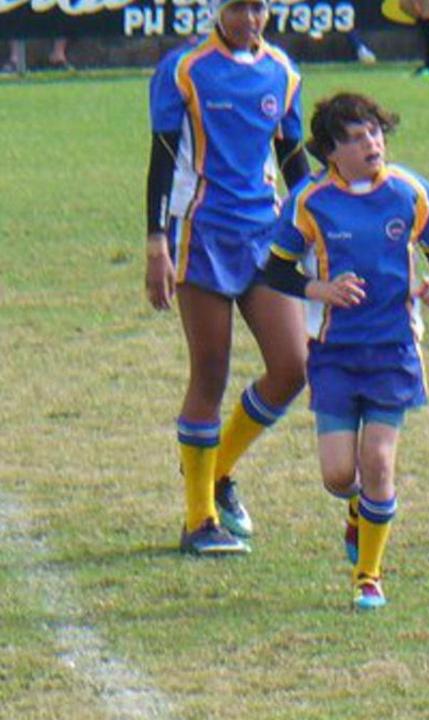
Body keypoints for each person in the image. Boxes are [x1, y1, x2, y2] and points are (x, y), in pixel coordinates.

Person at [264, 92, 429, 609]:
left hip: (394, 350)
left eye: (374, 131)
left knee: (377, 461)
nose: (371, 143)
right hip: (333, 354)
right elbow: (276, 267)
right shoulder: (309, 201)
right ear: (331, 151)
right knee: (337, 475)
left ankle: (368, 577)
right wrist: (319, 290)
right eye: (355, 137)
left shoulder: (410, 193)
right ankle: (357, 512)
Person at [145, 0, 311, 555]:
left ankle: (216, 471)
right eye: (239, 6)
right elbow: (163, 159)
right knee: (210, 371)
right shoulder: (184, 69)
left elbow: (293, 161)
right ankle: (199, 521)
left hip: (264, 233)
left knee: (292, 367)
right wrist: (155, 243)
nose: (251, 18)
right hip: (201, 235)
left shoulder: (283, 73)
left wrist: (316, 228)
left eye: (260, 6)